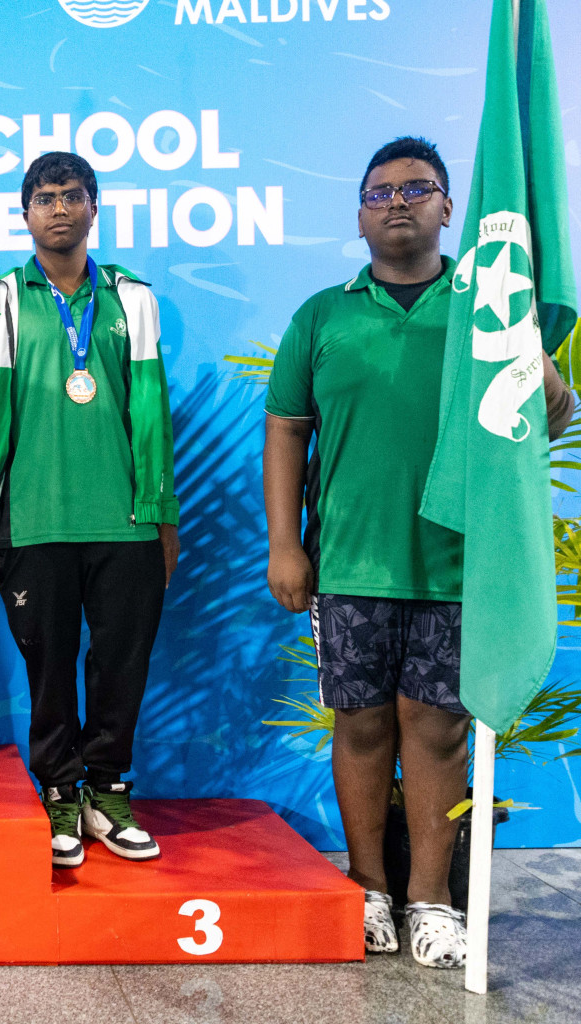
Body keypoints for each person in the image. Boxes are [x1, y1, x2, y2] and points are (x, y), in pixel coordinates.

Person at [263, 136, 574, 969]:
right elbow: (289, 430)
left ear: (448, 209)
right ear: (360, 215)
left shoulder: (486, 313)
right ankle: (368, 888)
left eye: (416, 189)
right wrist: (286, 545)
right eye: (379, 192)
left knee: (435, 735)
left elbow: (555, 411)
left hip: (458, 567)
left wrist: (536, 365)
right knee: (361, 729)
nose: (397, 202)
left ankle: (432, 901)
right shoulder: (322, 316)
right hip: (351, 566)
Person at [0, 153, 181, 870]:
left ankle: (107, 791)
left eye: (72, 196)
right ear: (25, 213)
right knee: (49, 668)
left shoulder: (131, 298)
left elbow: (151, 413)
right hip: (33, 523)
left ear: (94, 207)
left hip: (127, 523)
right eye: (44, 198)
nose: (59, 208)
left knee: (121, 665)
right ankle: (58, 788)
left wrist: (163, 516)